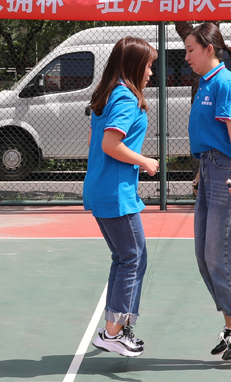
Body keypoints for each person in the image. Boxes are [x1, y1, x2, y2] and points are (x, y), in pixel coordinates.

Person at [185, 22, 231, 362]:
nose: (186, 57)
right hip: (210, 169)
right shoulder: (206, 82)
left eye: (191, 50)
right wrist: (201, 172)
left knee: (223, 253)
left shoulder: (225, 82)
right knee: (205, 255)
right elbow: (211, 137)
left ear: (209, 50)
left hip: (228, 172)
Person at [83, 37, 160, 358]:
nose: (151, 73)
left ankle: (115, 327)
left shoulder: (109, 94)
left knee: (126, 257)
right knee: (133, 257)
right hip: (115, 193)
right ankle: (113, 332)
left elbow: (97, 141)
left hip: (103, 188)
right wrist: (145, 161)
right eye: (148, 66)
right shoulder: (125, 97)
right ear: (133, 65)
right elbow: (110, 144)